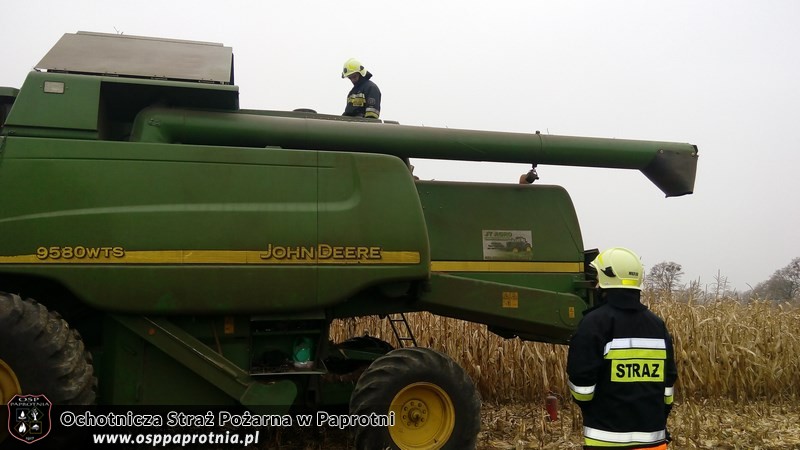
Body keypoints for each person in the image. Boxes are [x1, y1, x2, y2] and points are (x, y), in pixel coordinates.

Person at [567, 247, 678, 450]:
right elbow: (668, 385)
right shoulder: (657, 325)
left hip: (606, 440)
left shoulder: (593, 323)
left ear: (603, 281)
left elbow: (582, 389)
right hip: (653, 440)